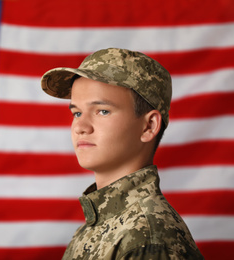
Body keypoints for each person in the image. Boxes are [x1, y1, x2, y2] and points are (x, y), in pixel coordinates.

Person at [40, 48, 204, 259]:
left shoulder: (147, 237)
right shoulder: (97, 225)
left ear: (149, 126)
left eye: (103, 111)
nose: (80, 126)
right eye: (77, 112)